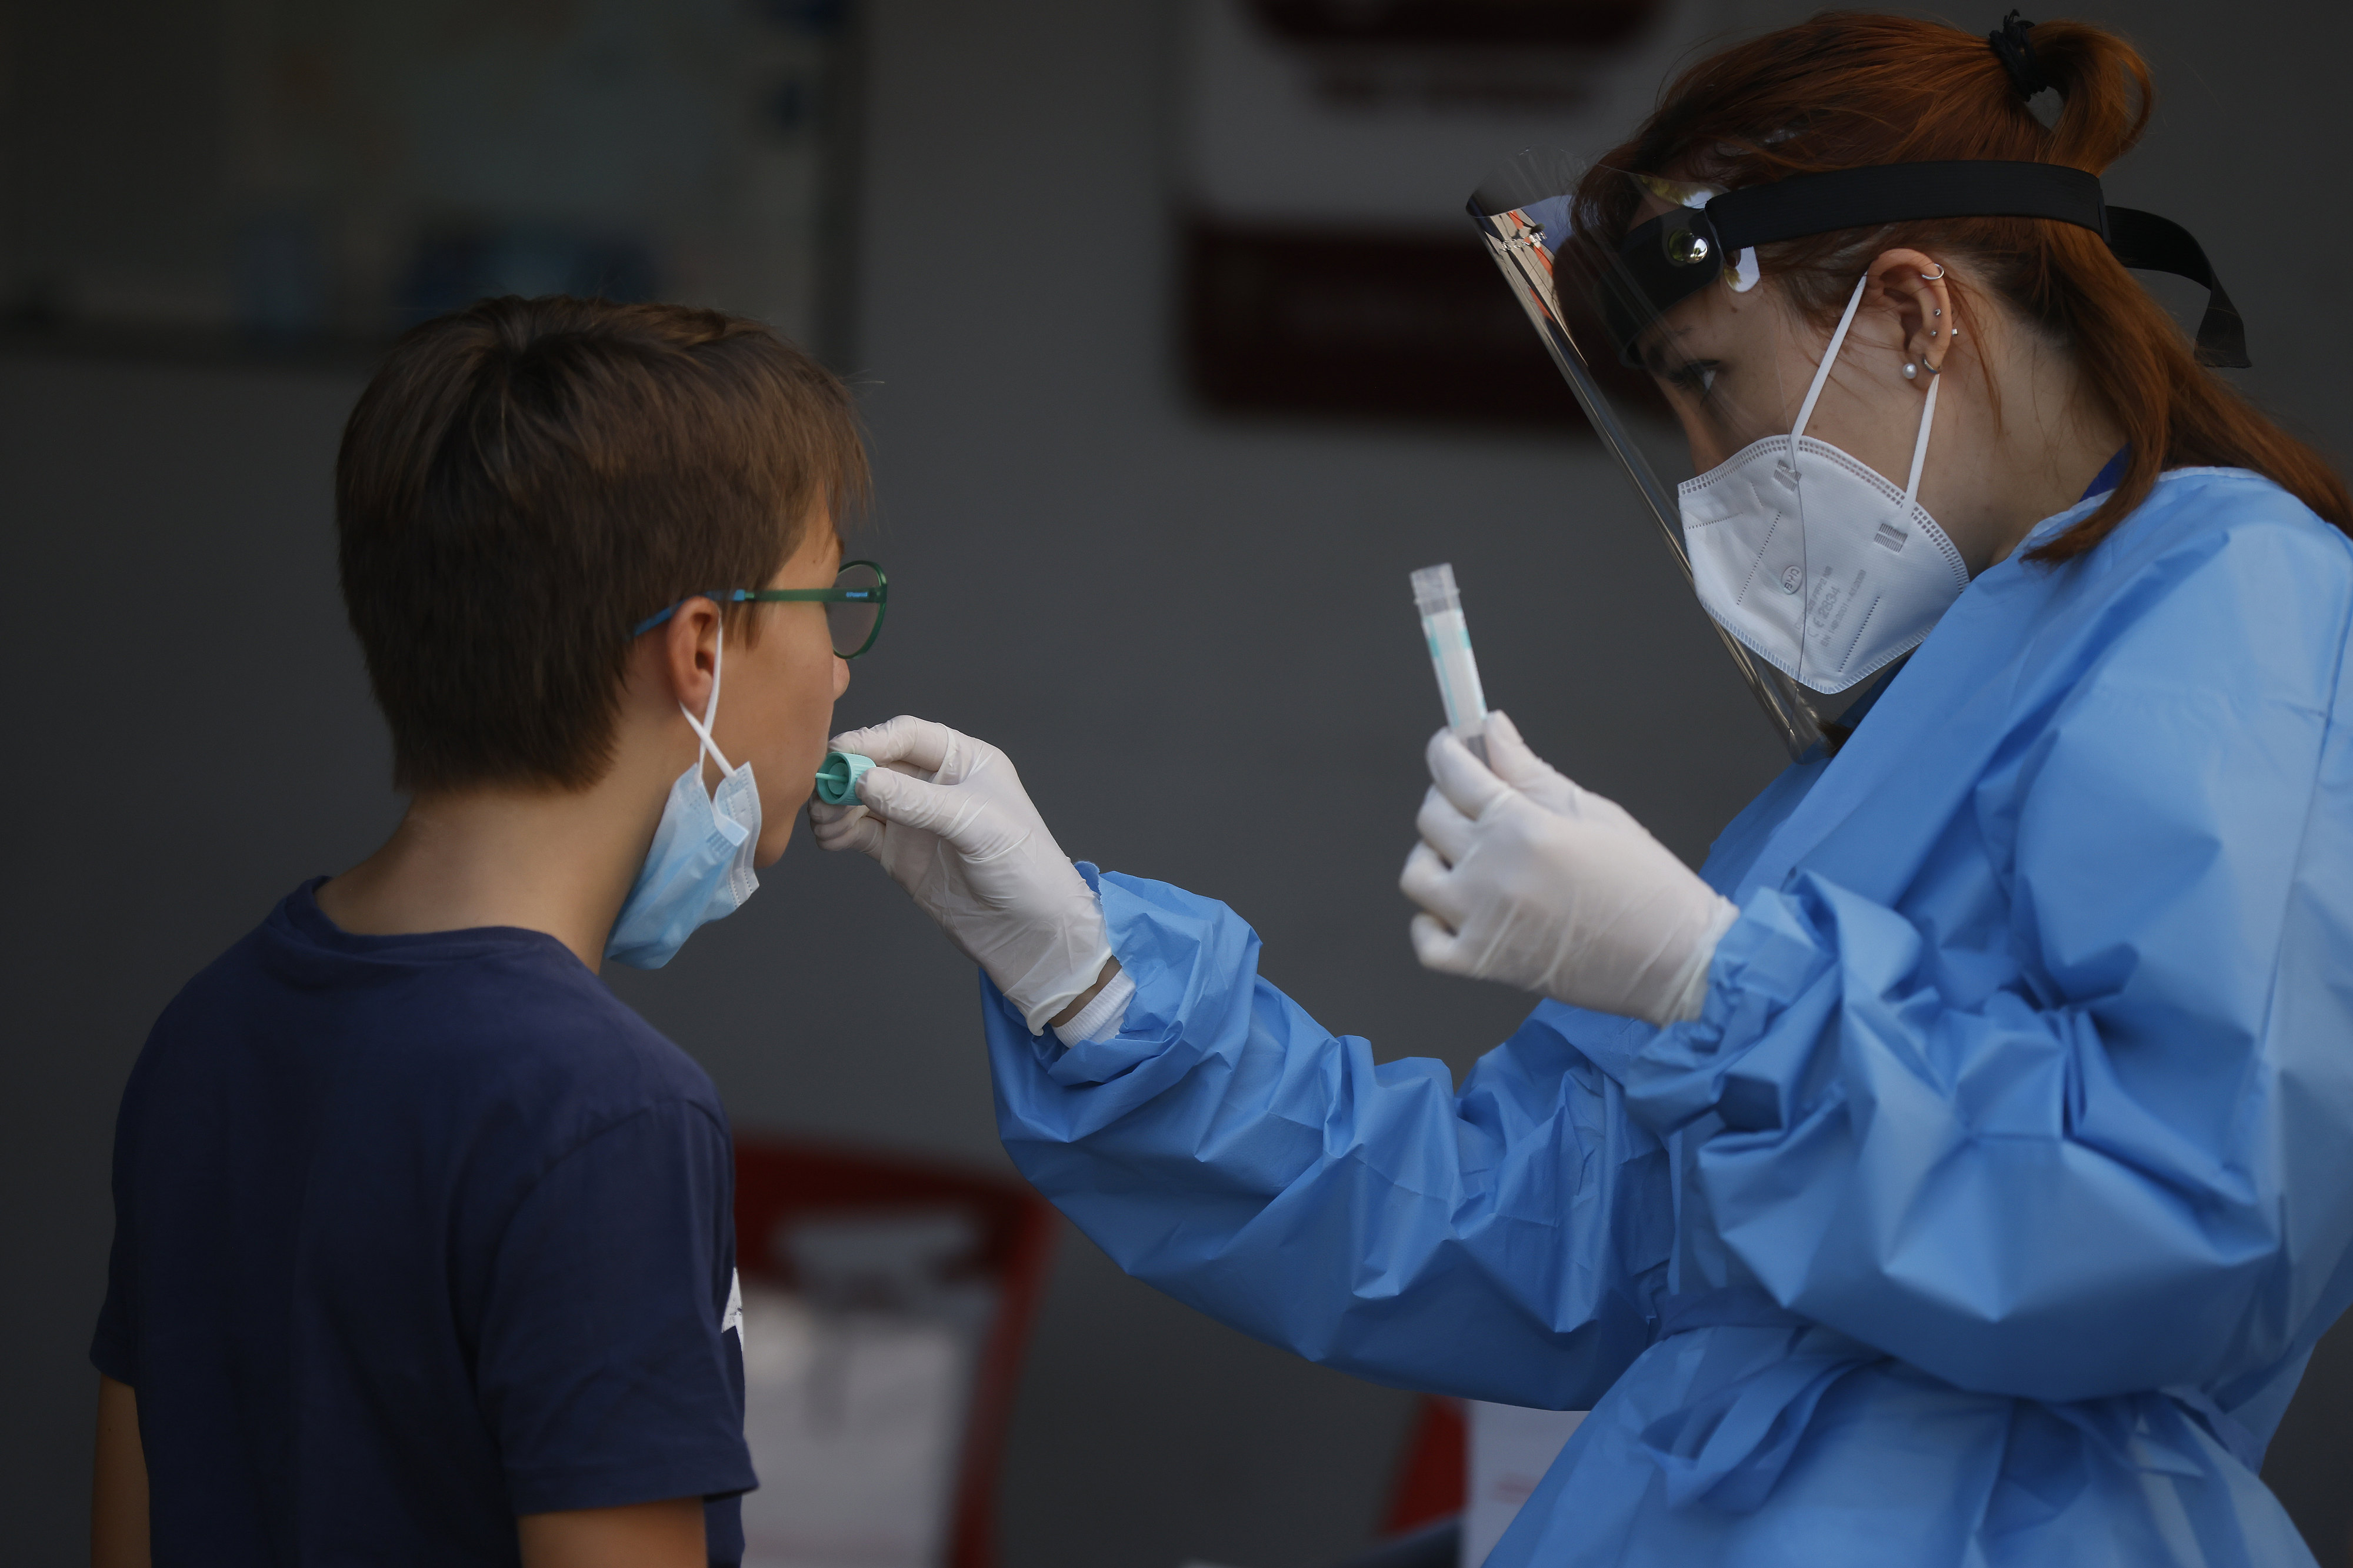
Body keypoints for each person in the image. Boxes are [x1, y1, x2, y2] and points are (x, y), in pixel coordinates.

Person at [811, 14, 2353, 1566]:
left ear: (1910, 317)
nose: (1705, 475)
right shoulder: (1913, 730)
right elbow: (1533, 1234)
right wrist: (1090, 986)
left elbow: (2197, 1212)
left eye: (1708, 383)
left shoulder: (2237, 601)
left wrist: (1717, 984)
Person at [89, 296, 881, 1567]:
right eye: (826, 598)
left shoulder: (208, 1029)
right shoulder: (609, 1115)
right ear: (698, 649)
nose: (840, 667)